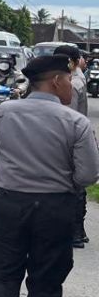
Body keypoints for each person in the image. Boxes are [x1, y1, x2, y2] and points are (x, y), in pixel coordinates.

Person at [0, 55, 99, 297]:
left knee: (1, 268)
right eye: (68, 79)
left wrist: (12, 177)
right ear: (56, 81)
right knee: (47, 276)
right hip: (56, 208)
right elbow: (88, 175)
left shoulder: (1, 112)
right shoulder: (76, 122)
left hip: (9, 203)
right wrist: (61, 183)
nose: (71, 85)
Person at [55, 45, 90, 249]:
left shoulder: (72, 83)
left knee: (73, 186)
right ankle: (78, 231)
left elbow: (69, 117)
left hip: (69, 139)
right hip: (75, 137)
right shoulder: (74, 78)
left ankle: (75, 232)